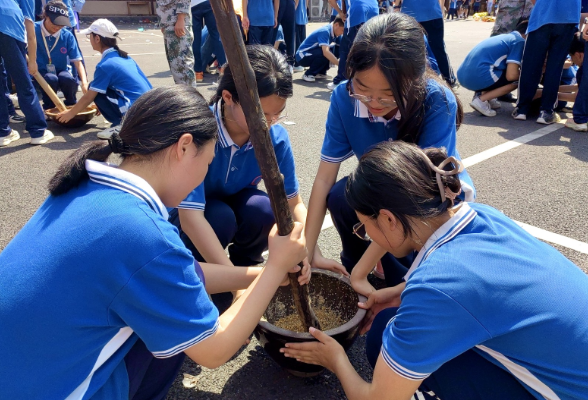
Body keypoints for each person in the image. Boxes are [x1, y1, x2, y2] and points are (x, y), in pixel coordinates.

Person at [0, 85, 310, 399]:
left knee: (169, 314)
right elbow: (214, 350)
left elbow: (178, 276)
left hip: (20, 367)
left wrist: (261, 276)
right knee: (179, 335)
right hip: (55, 390)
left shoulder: (86, 182)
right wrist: (273, 268)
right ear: (185, 147)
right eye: (207, 163)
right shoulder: (143, 233)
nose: (203, 175)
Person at [282, 140, 588, 400]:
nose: (367, 236)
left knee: (387, 341)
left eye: (364, 227)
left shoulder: (437, 286)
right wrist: (401, 294)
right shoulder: (480, 215)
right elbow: (484, 285)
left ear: (388, 219)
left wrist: (335, 359)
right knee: (390, 323)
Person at [304, 14, 475, 289]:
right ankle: (359, 268)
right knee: (340, 195)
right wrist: (308, 251)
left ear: (415, 80)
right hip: (384, 193)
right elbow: (324, 179)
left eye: (387, 93)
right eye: (362, 88)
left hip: (432, 202)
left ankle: (398, 278)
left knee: (406, 284)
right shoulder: (343, 98)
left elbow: (412, 198)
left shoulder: (436, 100)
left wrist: (362, 271)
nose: (374, 102)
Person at [168, 45, 307, 272]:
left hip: (232, 202)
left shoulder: (275, 137)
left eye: (277, 114)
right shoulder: (198, 133)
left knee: (264, 209)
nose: (268, 123)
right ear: (228, 97)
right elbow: (191, 217)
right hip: (191, 216)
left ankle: (246, 263)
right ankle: (201, 274)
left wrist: (308, 252)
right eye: (260, 114)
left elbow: (294, 203)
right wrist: (235, 283)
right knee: (220, 218)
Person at [57, 19, 152, 139]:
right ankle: (127, 122)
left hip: (136, 112)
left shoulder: (106, 64)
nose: (89, 39)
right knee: (98, 87)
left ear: (97, 38)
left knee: (94, 89)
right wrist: (100, 105)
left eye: (89, 36)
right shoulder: (124, 57)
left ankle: (121, 125)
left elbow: (89, 96)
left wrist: (70, 114)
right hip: (149, 107)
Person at [513, 0, 580, 124]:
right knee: (555, 67)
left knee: (531, 64)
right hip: (568, 17)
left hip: (542, 16)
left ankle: (522, 109)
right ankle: (546, 111)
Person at [0, 0, 54, 147]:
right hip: (8, 25)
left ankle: (3, 133)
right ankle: (38, 132)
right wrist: (32, 61)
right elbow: (30, 33)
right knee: (23, 83)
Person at [457, 20, 528, 116]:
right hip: (479, 76)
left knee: (501, 70)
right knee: (519, 79)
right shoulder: (519, 41)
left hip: (463, 76)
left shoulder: (506, 37)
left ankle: (487, 97)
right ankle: (481, 99)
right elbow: (511, 75)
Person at [34, 1, 87, 110]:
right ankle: (50, 107)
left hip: (61, 69)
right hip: (41, 72)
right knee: (51, 78)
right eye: (55, 23)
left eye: (61, 24)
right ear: (46, 16)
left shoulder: (67, 35)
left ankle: (71, 103)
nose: (58, 27)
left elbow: (77, 61)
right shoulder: (33, 29)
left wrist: (84, 83)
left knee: (67, 78)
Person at [398, 0, 458, 86]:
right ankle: (449, 78)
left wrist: (396, 6)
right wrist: (441, 9)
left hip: (409, 12)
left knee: (408, 48)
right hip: (432, 12)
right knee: (438, 48)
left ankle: (405, 79)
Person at [328, 0, 379, 91]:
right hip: (374, 10)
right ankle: (368, 80)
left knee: (346, 49)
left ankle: (341, 80)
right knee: (369, 48)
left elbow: (331, 1)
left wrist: (340, 12)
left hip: (358, 11)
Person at [156, 0, 196, 86]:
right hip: (168, 23)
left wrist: (181, 18)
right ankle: (183, 95)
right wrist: (162, 23)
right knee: (175, 66)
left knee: (183, 65)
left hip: (176, 22)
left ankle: (190, 96)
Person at [297, 17, 344, 82]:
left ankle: (320, 72)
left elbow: (343, 48)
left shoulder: (336, 33)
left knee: (337, 50)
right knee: (325, 52)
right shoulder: (325, 31)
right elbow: (326, 52)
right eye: (342, 30)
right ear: (336, 25)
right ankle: (308, 74)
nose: (342, 33)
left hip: (312, 53)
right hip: (302, 56)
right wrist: (341, 65)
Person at [191, 0, 225, 82]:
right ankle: (223, 68)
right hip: (208, 3)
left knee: (196, 39)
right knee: (216, 36)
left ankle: (198, 72)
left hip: (192, 5)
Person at [566, 31, 588, 131]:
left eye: (571, 56)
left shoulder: (582, 71)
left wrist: (550, 95)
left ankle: (580, 120)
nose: (572, 61)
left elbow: (579, 94)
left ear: (578, 54)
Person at [272, 0, 296, 68]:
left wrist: (295, 5)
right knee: (272, 34)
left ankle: (290, 61)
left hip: (289, 3)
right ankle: (270, 59)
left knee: (290, 34)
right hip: (276, 3)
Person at [293, 0, 308, 72]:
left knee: (297, 42)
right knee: (302, 42)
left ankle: (297, 63)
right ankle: (302, 62)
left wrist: (291, 13)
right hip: (302, 16)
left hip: (296, 16)